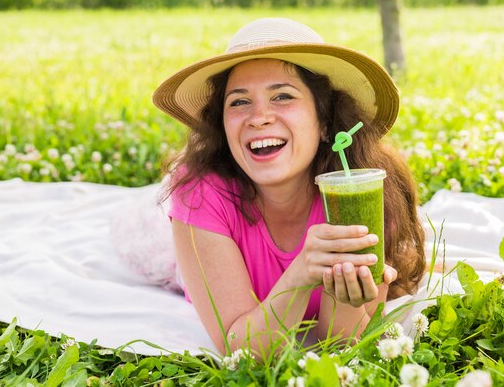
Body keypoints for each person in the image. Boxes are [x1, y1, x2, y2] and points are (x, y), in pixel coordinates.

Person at [152, 18, 425, 354]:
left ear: (325, 122)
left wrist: (343, 295)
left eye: (282, 96)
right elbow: (242, 351)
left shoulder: (364, 190)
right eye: (239, 101)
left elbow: (341, 344)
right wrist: (301, 273)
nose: (259, 117)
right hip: (183, 250)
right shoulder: (200, 194)